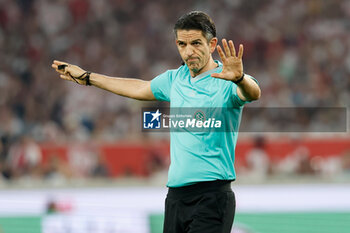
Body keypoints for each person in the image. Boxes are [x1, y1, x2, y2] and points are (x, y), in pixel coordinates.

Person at [52, 11, 260, 233]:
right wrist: (88, 77)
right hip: (176, 197)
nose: (188, 51)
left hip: (211, 196)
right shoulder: (174, 79)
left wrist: (239, 77)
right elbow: (138, 87)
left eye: (196, 43)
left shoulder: (227, 78)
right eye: (182, 44)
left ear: (212, 44)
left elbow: (253, 93)